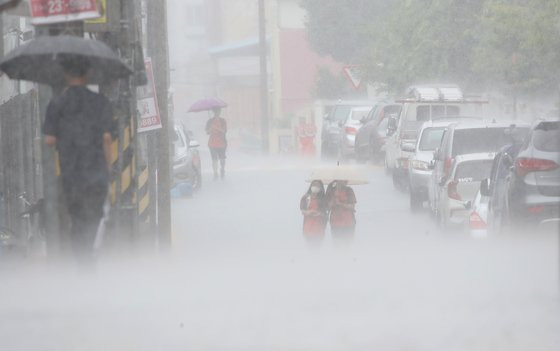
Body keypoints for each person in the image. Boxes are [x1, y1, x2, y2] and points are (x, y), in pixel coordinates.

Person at [42, 56, 114, 264]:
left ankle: (81, 256)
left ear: (65, 75)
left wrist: (66, 136)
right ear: (88, 74)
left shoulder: (57, 104)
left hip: (71, 171)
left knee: (77, 216)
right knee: (94, 215)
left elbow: (49, 139)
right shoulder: (100, 102)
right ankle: (88, 253)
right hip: (96, 170)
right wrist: (107, 167)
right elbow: (107, 138)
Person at [205, 107, 227, 180]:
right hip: (212, 143)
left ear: (220, 112)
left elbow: (224, 131)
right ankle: (215, 172)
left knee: (222, 159)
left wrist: (217, 128)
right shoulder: (209, 121)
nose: (217, 113)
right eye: (216, 111)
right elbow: (207, 132)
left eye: (218, 111)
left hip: (222, 143)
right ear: (214, 112)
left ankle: (222, 169)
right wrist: (210, 129)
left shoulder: (223, 121)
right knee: (214, 159)